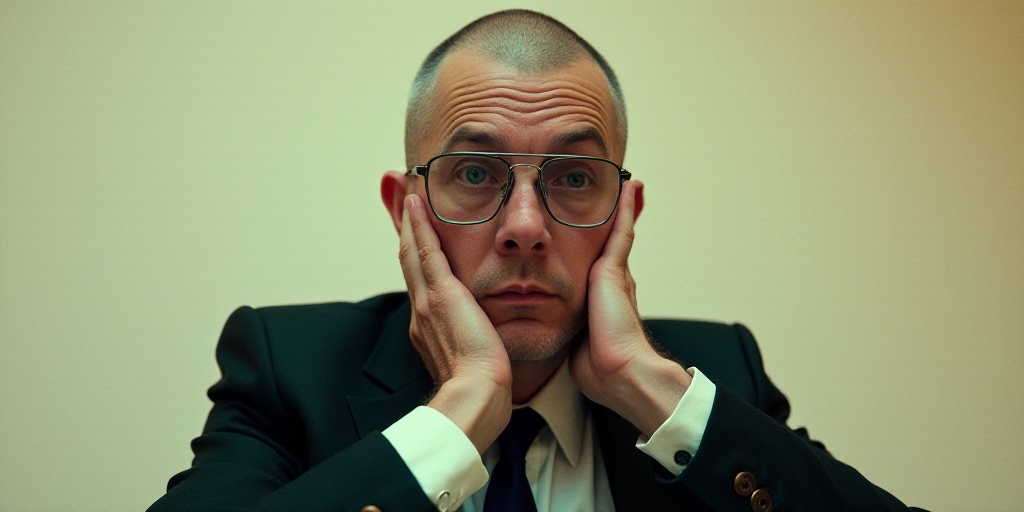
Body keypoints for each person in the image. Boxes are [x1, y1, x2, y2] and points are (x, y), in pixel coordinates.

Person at [150, 9, 924, 512]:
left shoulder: (712, 373)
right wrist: (459, 413)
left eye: (575, 178)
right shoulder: (291, 369)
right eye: (476, 173)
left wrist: (650, 390)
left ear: (623, 212)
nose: (524, 227)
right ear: (404, 207)